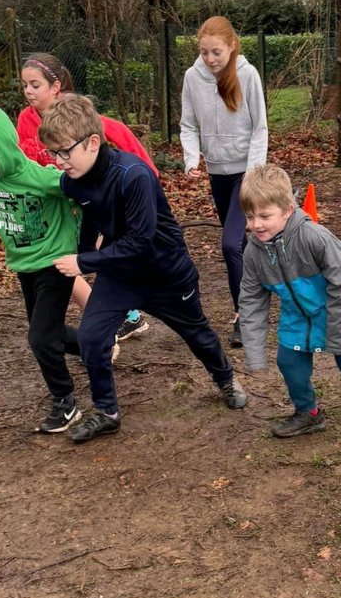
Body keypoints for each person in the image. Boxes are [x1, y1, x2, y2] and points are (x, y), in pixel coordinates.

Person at [40, 95, 248, 443]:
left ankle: (225, 377)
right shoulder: (75, 177)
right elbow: (90, 215)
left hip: (164, 274)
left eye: (64, 152)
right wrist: (80, 249)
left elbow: (139, 240)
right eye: (53, 154)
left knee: (197, 334)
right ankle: (107, 411)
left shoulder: (133, 175)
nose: (59, 162)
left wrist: (82, 262)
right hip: (119, 276)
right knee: (91, 338)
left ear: (93, 142)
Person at [0, 106, 86, 433]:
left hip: (55, 262)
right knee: (50, 333)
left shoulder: (40, 177)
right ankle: (95, 344)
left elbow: (80, 194)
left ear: (1, 145)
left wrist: (81, 235)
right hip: (23, 264)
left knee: (40, 338)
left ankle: (65, 402)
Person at [17, 51, 153, 345]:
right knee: (63, 262)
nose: (28, 91)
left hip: (92, 202)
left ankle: (119, 318)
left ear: (55, 87)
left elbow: (116, 132)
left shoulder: (75, 112)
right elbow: (25, 161)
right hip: (54, 204)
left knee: (84, 260)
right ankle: (118, 321)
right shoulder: (25, 119)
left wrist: (148, 174)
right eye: (25, 84)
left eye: (35, 84)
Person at [238, 164, 341, 438]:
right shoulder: (254, 251)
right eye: (250, 217)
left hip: (338, 311)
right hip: (297, 315)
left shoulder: (315, 238)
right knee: (289, 362)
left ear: (288, 210)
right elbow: (251, 299)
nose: (255, 225)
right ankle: (308, 413)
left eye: (264, 215)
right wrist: (253, 349)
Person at [180, 16, 269, 348]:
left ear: (232, 47)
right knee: (241, 247)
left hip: (245, 174)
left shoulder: (247, 75)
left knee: (231, 244)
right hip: (217, 173)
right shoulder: (193, 78)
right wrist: (192, 159)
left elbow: (260, 128)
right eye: (204, 52)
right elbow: (188, 124)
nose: (210, 59)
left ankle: (244, 317)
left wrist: (253, 174)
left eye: (216, 52)